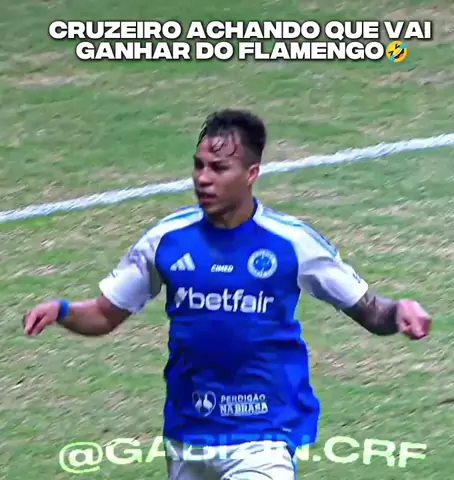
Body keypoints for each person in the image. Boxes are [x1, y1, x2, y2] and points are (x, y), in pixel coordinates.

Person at [23, 109, 431, 480]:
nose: (203, 178)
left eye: (219, 168)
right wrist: (62, 310)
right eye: (199, 166)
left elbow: (370, 311)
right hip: (188, 432)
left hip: (264, 433)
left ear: (251, 173)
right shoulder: (166, 240)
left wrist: (398, 311)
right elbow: (104, 314)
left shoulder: (293, 243)